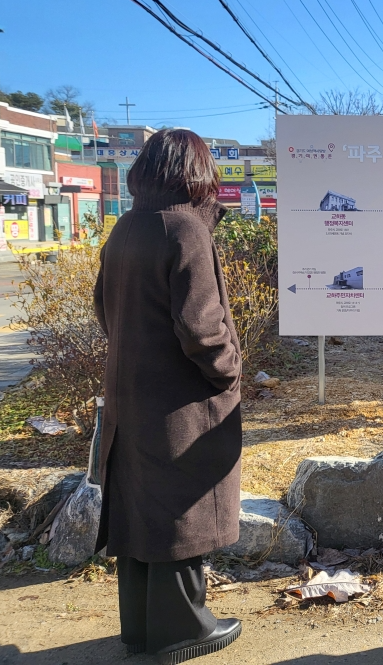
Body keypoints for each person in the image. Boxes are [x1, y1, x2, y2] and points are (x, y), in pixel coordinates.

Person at [93, 129, 244, 664]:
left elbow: (102, 308)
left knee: (140, 510)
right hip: (180, 402)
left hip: (130, 394)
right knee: (184, 508)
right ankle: (185, 628)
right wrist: (227, 373)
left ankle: (140, 628)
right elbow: (200, 326)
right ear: (195, 170)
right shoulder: (184, 227)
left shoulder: (126, 227)